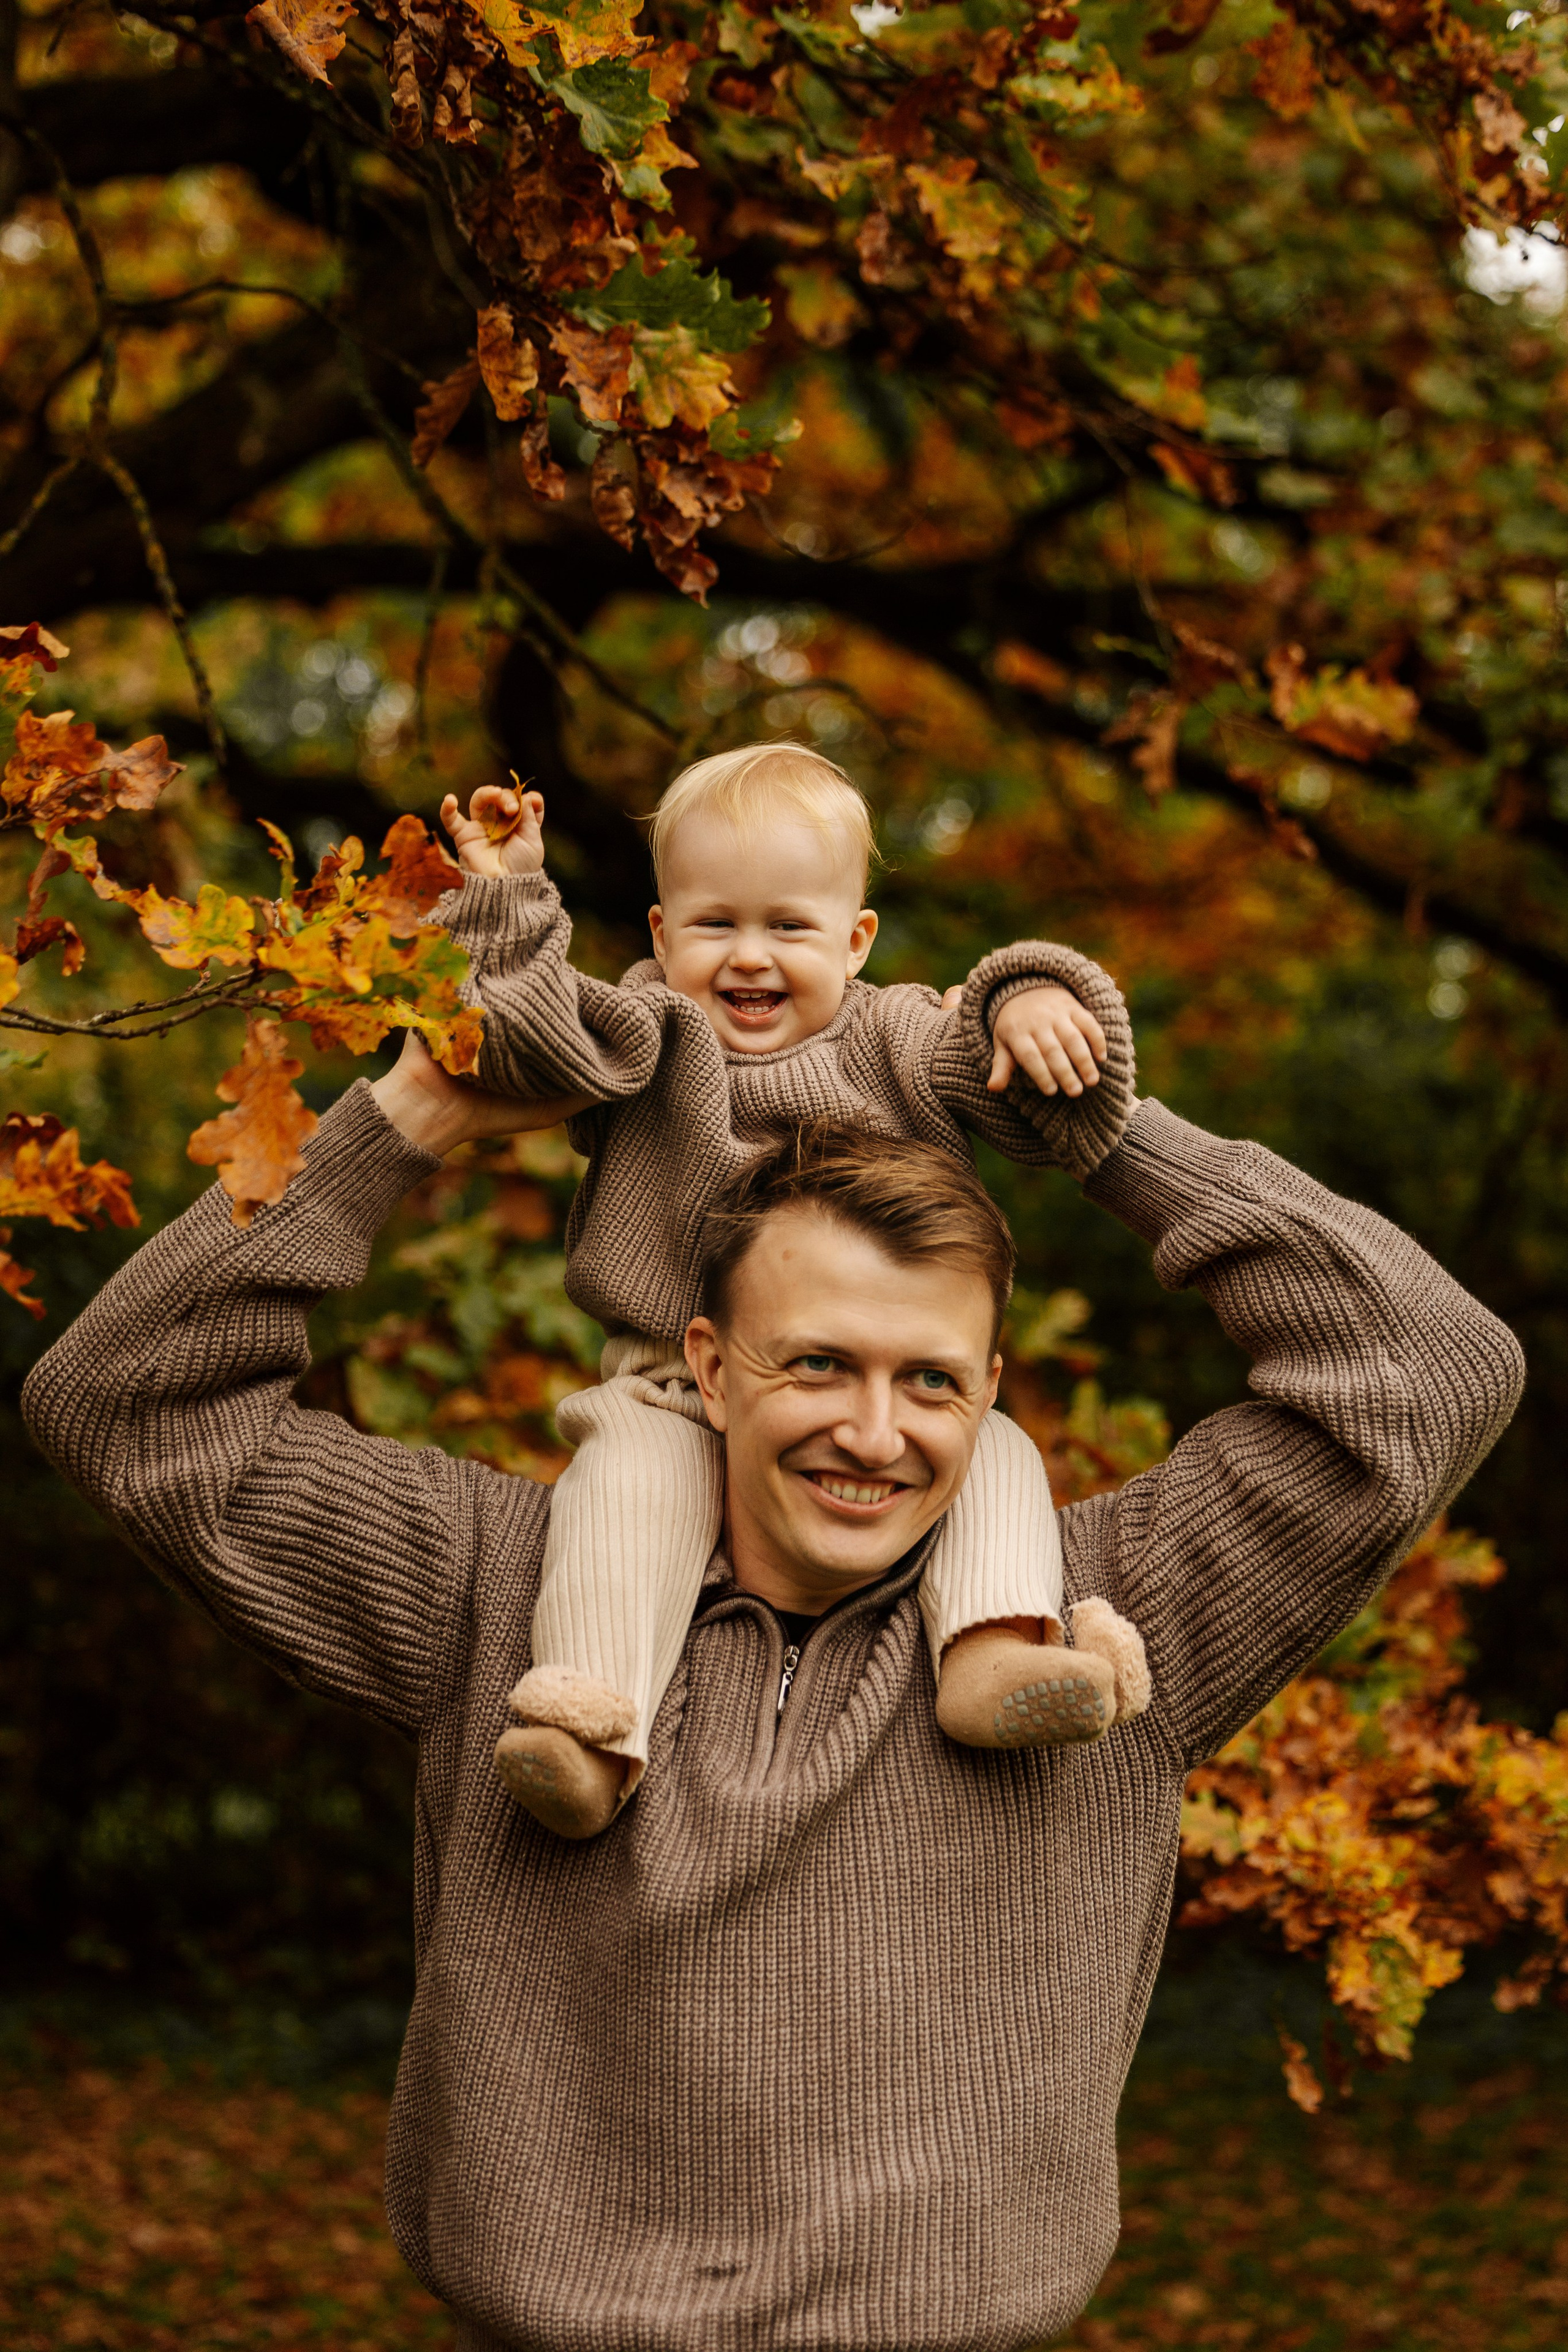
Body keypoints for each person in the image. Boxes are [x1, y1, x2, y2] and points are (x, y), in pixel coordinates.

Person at [23, 1034, 1523, 2352]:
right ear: (707, 1365)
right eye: (817, 1364)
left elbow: (1427, 1369)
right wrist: (412, 1115)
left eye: (929, 1380)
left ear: (989, 1389)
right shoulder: (496, 1587)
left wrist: (1098, 1127)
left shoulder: (1104, 1624)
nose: (873, 1434)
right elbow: (125, 1402)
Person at [434, 741, 1148, 1838]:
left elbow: (1029, 1100)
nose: (750, 958)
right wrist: (508, 897)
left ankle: (994, 1649)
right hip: (671, 1385)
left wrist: (1030, 999)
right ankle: (590, 1732)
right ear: (662, 935)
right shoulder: (643, 1034)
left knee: (997, 1456)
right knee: (619, 1494)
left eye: (790, 927)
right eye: (715, 924)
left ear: (856, 942)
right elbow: (514, 1048)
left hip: (880, 1384)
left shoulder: (898, 1039)